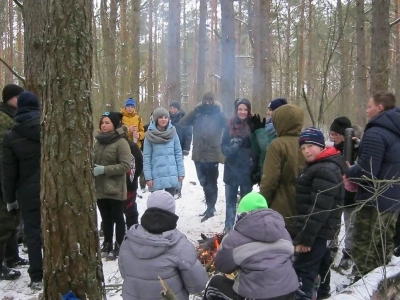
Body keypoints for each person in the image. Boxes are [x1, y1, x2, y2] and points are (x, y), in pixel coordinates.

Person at [346, 91, 400, 282]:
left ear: (380, 107)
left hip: (372, 203)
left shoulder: (376, 132)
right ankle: (382, 289)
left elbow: (367, 172)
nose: (367, 110)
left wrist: (350, 171)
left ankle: (361, 287)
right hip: (392, 202)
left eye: (369, 106)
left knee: (365, 252)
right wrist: (362, 146)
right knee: (382, 251)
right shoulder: (394, 131)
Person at [204, 192, 298, 300]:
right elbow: (291, 258)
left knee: (214, 284)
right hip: (289, 293)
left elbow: (222, 266)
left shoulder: (233, 238)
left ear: (242, 214)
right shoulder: (283, 232)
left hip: (257, 297)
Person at [118, 190, 208, 300]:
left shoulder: (128, 241)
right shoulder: (181, 246)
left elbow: (125, 274)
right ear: (172, 212)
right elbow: (197, 286)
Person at [293, 127, 345, 300]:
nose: (306, 151)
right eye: (302, 148)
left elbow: (319, 209)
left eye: (310, 146)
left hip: (316, 233)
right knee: (322, 269)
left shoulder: (325, 169)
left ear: (321, 145)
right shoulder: (320, 165)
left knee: (303, 273)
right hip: (321, 232)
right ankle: (323, 295)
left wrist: (306, 239)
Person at [2, 91, 43, 289]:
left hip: (28, 193)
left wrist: (9, 199)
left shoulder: (11, 135)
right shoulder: (51, 128)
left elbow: (8, 173)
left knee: (33, 233)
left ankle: (37, 276)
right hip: (54, 191)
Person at [180, 92, 227, 222]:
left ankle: (211, 207)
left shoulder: (218, 114)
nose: (207, 102)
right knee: (203, 181)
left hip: (213, 153)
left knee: (212, 182)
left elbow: (229, 125)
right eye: (205, 100)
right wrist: (194, 111)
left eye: (210, 100)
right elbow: (183, 123)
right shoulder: (198, 113)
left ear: (213, 101)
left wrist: (220, 112)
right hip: (199, 153)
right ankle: (209, 204)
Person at [259, 104, 304, 236]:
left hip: (281, 207)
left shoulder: (277, 145)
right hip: (304, 206)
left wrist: (262, 203)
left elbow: (270, 180)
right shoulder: (308, 142)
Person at [94, 112, 131, 260]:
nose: (104, 125)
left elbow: (125, 165)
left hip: (115, 188)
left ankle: (119, 245)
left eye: (107, 122)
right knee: (105, 218)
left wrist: (104, 169)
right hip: (100, 188)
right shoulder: (98, 142)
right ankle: (107, 243)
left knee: (118, 217)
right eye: (102, 122)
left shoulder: (121, 142)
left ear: (115, 124)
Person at [0, 84, 28, 281]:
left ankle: (12, 257)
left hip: (14, 175)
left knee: (13, 218)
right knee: (4, 221)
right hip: (4, 175)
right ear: (12, 98)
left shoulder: (13, 115)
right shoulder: (4, 117)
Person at [221, 98, 255, 232]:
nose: (242, 112)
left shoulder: (254, 125)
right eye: (240, 109)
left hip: (247, 170)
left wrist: (252, 157)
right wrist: (231, 149)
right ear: (236, 110)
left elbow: (258, 147)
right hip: (231, 169)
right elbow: (223, 146)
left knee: (246, 201)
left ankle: (244, 229)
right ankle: (228, 228)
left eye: (245, 109)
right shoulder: (229, 124)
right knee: (230, 201)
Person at [328, 117, 358, 269]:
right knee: (333, 221)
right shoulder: (331, 150)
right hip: (335, 192)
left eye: (336, 134)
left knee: (350, 225)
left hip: (351, 195)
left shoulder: (354, 149)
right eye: (331, 134)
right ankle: (332, 246)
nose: (333, 137)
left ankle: (349, 254)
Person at [143, 108, 184, 196]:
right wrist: (148, 177)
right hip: (156, 177)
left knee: (169, 205)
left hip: (171, 175)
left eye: (166, 117)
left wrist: (181, 173)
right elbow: (146, 157)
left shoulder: (173, 133)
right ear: (156, 119)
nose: (163, 119)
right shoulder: (149, 135)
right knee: (157, 206)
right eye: (161, 117)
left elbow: (178, 154)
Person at [251, 98, 288, 179]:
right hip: (264, 172)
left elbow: (268, 150)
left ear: (279, 112)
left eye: (270, 110)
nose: (268, 113)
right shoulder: (268, 126)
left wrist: (260, 131)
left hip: (274, 176)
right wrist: (253, 132)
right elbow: (257, 149)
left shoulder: (282, 130)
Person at [169, 100, 193, 198]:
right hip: (169, 147)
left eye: (174, 108)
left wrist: (186, 148)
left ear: (178, 109)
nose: (172, 110)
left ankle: (178, 189)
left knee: (178, 169)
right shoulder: (167, 118)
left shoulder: (184, 118)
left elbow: (188, 134)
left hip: (180, 147)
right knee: (170, 168)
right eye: (170, 108)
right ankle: (171, 187)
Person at [124, 139, 143, 229]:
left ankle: (133, 229)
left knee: (129, 207)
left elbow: (138, 164)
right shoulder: (101, 143)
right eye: (102, 123)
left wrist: (131, 180)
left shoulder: (130, 146)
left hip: (128, 184)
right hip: (107, 184)